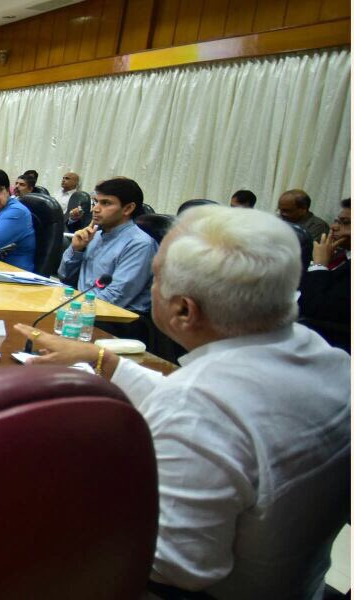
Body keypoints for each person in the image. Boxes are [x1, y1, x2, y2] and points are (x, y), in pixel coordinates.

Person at [17, 205, 350, 599]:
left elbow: (172, 568)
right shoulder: (330, 360)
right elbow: (222, 410)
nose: (151, 286)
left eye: (156, 278)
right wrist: (102, 359)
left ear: (184, 309)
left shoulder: (198, 405)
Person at [58, 177, 159, 313]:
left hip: (115, 318)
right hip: (84, 308)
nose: (95, 209)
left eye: (105, 203)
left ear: (128, 208)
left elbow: (115, 297)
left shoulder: (140, 244)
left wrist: (74, 307)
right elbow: (64, 277)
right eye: (96, 202)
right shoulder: (94, 236)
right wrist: (77, 250)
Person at [299, 198, 351, 351]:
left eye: (345, 223)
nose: (334, 227)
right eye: (336, 221)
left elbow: (315, 308)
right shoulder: (340, 254)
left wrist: (319, 265)